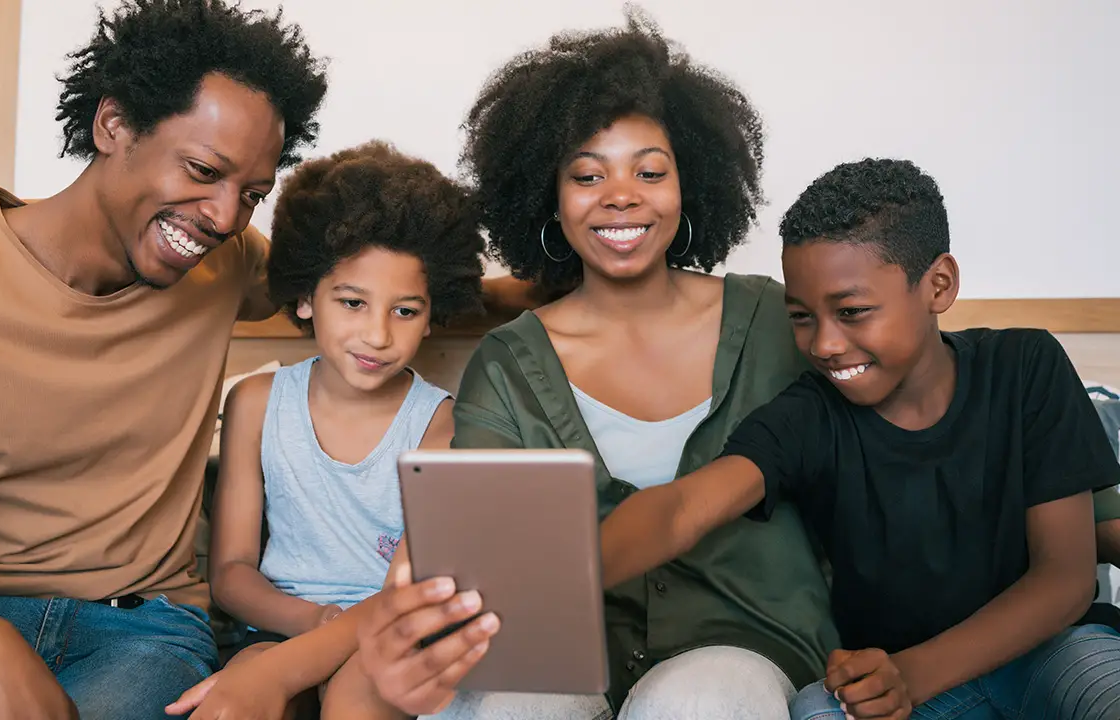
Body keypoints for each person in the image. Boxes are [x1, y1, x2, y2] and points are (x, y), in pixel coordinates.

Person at [0, 1, 331, 718]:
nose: (225, 216)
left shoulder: (221, 264)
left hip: (140, 632)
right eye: (202, 169)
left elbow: (371, 282)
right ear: (114, 126)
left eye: (252, 194)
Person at [356, 10, 840, 720]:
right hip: (561, 658)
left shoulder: (776, 320)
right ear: (549, 197)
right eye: (588, 174)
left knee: (701, 702)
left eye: (650, 171)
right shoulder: (512, 362)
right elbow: (481, 544)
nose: (621, 194)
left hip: (746, 652)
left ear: (691, 185)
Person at [595, 158, 1120, 719]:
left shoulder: (1023, 365)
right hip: (890, 681)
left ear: (938, 285)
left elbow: (1064, 581)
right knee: (816, 712)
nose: (824, 344)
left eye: (852, 312)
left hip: (1052, 652)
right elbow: (681, 509)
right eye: (801, 316)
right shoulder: (809, 416)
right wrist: (557, 581)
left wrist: (912, 676)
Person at [165, 141, 484, 719]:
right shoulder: (257, 403)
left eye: (405, 311)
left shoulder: (439, 425)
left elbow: (404, 596)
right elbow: (232, 574)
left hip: (390, 640)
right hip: (279, 629)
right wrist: (310, 621)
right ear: (307, 297)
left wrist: (331, 637)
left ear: (435, 313)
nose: (378, 335)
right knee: (233, 697)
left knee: (354, 698)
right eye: (353, 302)